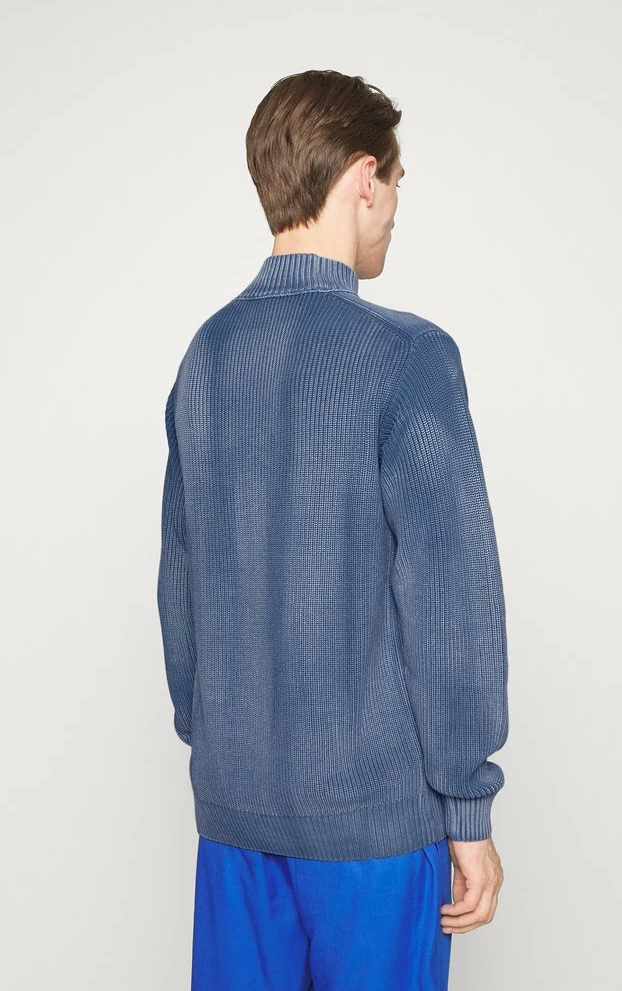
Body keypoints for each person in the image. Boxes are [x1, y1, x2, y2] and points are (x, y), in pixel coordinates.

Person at [157, 68, 509, 990]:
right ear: (363, 176)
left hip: (234, 817)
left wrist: (223, 741)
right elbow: (450, 599)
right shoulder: (409, 356)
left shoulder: (206, 356)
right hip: (372, 829)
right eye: (396, 182)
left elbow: (179, 591)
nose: (395, 209)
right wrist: (468, 808)